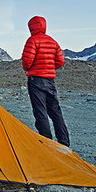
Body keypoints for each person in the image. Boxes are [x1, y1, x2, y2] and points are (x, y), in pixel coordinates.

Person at [21, 16, 70, 147]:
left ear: (31, 27)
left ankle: (46, 143)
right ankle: (64, 143)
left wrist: (29, 68)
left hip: (36, 80)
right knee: (55, 112)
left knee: (40, 111)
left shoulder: (32, 40)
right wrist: (48, 68)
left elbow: (26, 61)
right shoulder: (53, 42)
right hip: (50, 81)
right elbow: (60, 61)